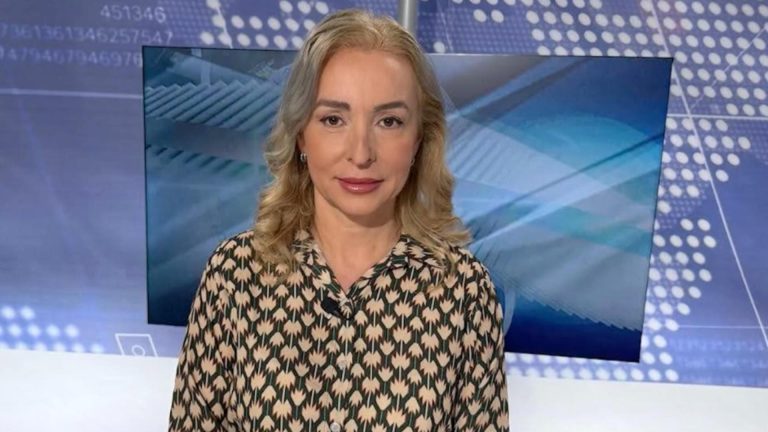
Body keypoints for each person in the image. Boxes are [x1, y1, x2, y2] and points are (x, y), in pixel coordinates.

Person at [169, 8, 509, 432]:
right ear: (301, 134)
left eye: (389, 121)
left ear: (419, 139)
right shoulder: (235, 275)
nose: (361, 153)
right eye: (333, 119)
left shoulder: (463, 290)